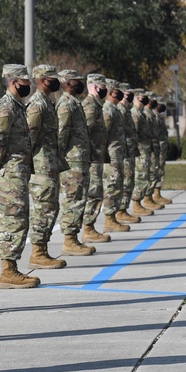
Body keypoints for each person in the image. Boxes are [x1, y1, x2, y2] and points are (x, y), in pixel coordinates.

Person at [0, 65, 41, 289]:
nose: (28, 85)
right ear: (13, 82)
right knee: (12, 218)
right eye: (24, 81)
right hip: (10, 171)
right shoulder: (6, 106)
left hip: (19, 170)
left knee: (19, 218)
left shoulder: (17, 106)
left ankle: (12, 267)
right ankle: (8, 271)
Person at [26, 65, 67, 269]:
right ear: (42, 79)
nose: (56, 81)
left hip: (49, 165)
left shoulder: (48, 102)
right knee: (43, 208)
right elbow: (30, 137)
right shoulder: (37, 104)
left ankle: (42, 248)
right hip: (40, 167)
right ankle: (38, 252)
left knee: (51, 206)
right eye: (52, 78)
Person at [55, 70, 95, 256]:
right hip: (72, 160)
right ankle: (69, 240)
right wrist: (60, 158)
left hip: (80, 159)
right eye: (77, 81)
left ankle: (73, 237)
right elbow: (61, 134)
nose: (80, 84)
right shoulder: (65, 104)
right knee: (73, 199)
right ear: (68, 83)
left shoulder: (74, 103)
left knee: (79, 198)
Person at [81, 74, 111, 244]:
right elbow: (85, 132)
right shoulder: (90, 106)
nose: (104, 90)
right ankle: (88, 228)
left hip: (96, 157)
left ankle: (89, 227)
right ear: (93, 86)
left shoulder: (97, 105)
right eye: (101, 86)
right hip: (91, 158)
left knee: (96, 192)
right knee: (93, 193)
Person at [101, 79, 131, 233]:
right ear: (111, 91)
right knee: (111, 187)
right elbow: (103, 135)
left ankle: (114, 216)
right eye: (117, 90)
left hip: (117, 155)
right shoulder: (107, 110)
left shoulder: (115, 109)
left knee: (117, 185)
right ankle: (109, 219)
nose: (120, 93)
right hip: (111, 157)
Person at [131, 89, 160, 215]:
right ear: (137, 98)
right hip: (141, 150)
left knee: (146, 175)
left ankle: (143, 200)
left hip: (146, 149)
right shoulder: (136, 113)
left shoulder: (141, 113)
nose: (145, 99)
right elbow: (135, 134)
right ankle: (137, 204)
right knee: (141, 176)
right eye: (142, 97)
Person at [116, 83, 141, 225]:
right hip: (122, 152)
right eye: (127, 93)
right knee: (123, 182)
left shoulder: (126, 110)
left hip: (128, 151)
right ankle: (120, 211)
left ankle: (123, 210)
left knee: (128, 181)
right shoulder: (120, 110)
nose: (129, 95)